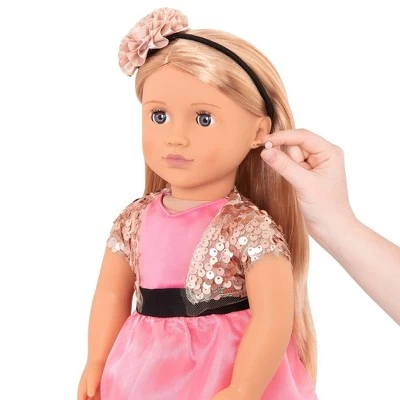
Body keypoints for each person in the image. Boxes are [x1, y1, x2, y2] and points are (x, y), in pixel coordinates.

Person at [78, 7, 319, 400]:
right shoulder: (134, 219)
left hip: (223, 370)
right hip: (143, 370)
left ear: (258, 132)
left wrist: (244, 386)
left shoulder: (247, 227)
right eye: (159, 116)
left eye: (203, 119)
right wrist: (97, 360)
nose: (176, 137)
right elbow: (110, 295)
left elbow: (274, 316)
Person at [259, 128, 400, 326]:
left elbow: (270, 321)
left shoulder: (254, 228)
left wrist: (337, 223)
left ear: (259, 130)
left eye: (211, 119)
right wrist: (337, 223)